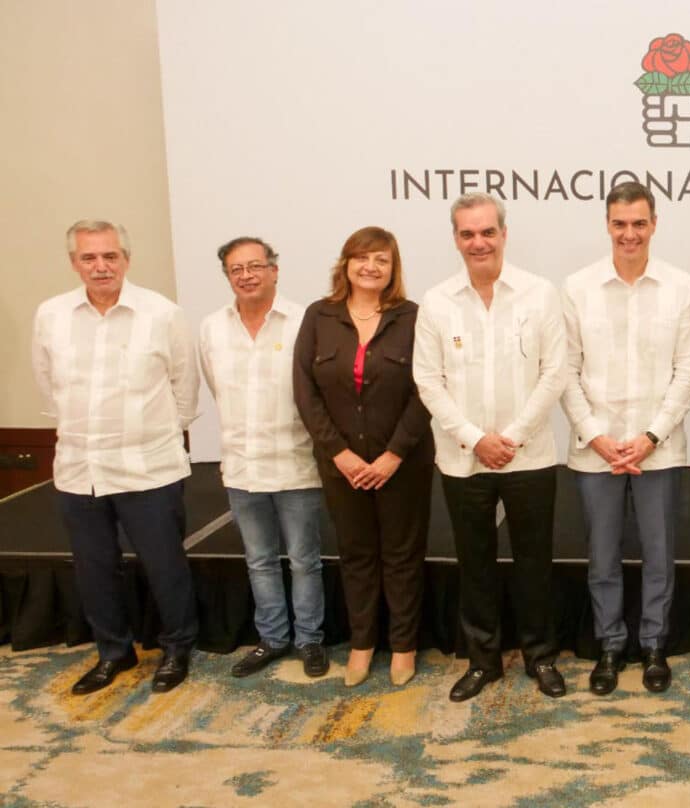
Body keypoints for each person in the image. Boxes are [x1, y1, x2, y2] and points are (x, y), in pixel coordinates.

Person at [32, 219, 200, 694]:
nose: (101, 266)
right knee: (93, 567)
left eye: (110, 256)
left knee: (165, 564)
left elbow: (184, 389)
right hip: (79, 468)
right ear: (74, 263)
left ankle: (177, 647)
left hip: (149, 465)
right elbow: (48, 384)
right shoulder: (51, 315)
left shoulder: (161, 313)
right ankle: (113, 652)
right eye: (89, 257)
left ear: (127, 259)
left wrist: (158, 432)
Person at [414, 194, 569, 701]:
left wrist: (512, 437)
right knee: (474, 563)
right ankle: (483, 661)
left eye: (486, 232)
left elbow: (554, 373)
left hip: (531, 456)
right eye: (467, 234)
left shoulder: (539, 294)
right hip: (463, 459)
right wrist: (476, 438)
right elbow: (428, 381)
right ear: (456, 239)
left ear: (504, 234)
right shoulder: (437, 302)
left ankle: (540, 657)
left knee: (533, 563)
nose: (478, 242)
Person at [560, 182, 690, 695]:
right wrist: (597, 436)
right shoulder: (577, 287)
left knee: (660, 556)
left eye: (639, 223)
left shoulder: (681, 286)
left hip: (657, 450)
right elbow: (565, 371)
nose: (629, 233)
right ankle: (611, 647)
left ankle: (655, 646)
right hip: (595, 449)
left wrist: (650, 436)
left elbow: (687, 372)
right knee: (602, 558)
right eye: (620, 223)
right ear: (607, 225)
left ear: (654, 224)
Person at [293, 226, 434, 687]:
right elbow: (305, 390)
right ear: (346, 263)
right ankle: (361, 645)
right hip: (342, 466)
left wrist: (394, 454)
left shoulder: (413, 317)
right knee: (355, 554)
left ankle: (404, 647)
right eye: (363, 258)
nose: (371, 267)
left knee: (401, 555)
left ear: (394, 269)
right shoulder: (319, 315)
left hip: (403, 462)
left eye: (382, 260)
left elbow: (426, 390)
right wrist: (340, 454)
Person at [199, 237, 329, 679]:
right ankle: (272, 638)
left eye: (256, 266)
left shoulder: (302, 322)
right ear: (227, 277)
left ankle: (310, 640)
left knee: (304, 560)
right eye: (236, 269)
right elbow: (216, 388)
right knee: (258, 560)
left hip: (296, 462)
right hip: (241, 465)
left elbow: (315, 393)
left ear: (275, 270)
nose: (247, 275)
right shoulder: (212, 328)